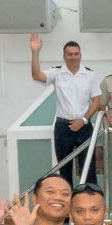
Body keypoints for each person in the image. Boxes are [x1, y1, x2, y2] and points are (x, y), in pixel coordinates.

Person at [30, 34, 102, 184]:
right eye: (70, 54)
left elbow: (96, 101)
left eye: (76, 54)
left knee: (88, 168)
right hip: (63, 127)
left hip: (84, 125)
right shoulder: (57, 73)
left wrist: (84, 120)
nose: (73, 57)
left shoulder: (90, 75)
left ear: (80, 55)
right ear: (64, 56)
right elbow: (36, 75)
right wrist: (35, 52)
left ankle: (89, 202)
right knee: (64, 170)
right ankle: (67, 204)